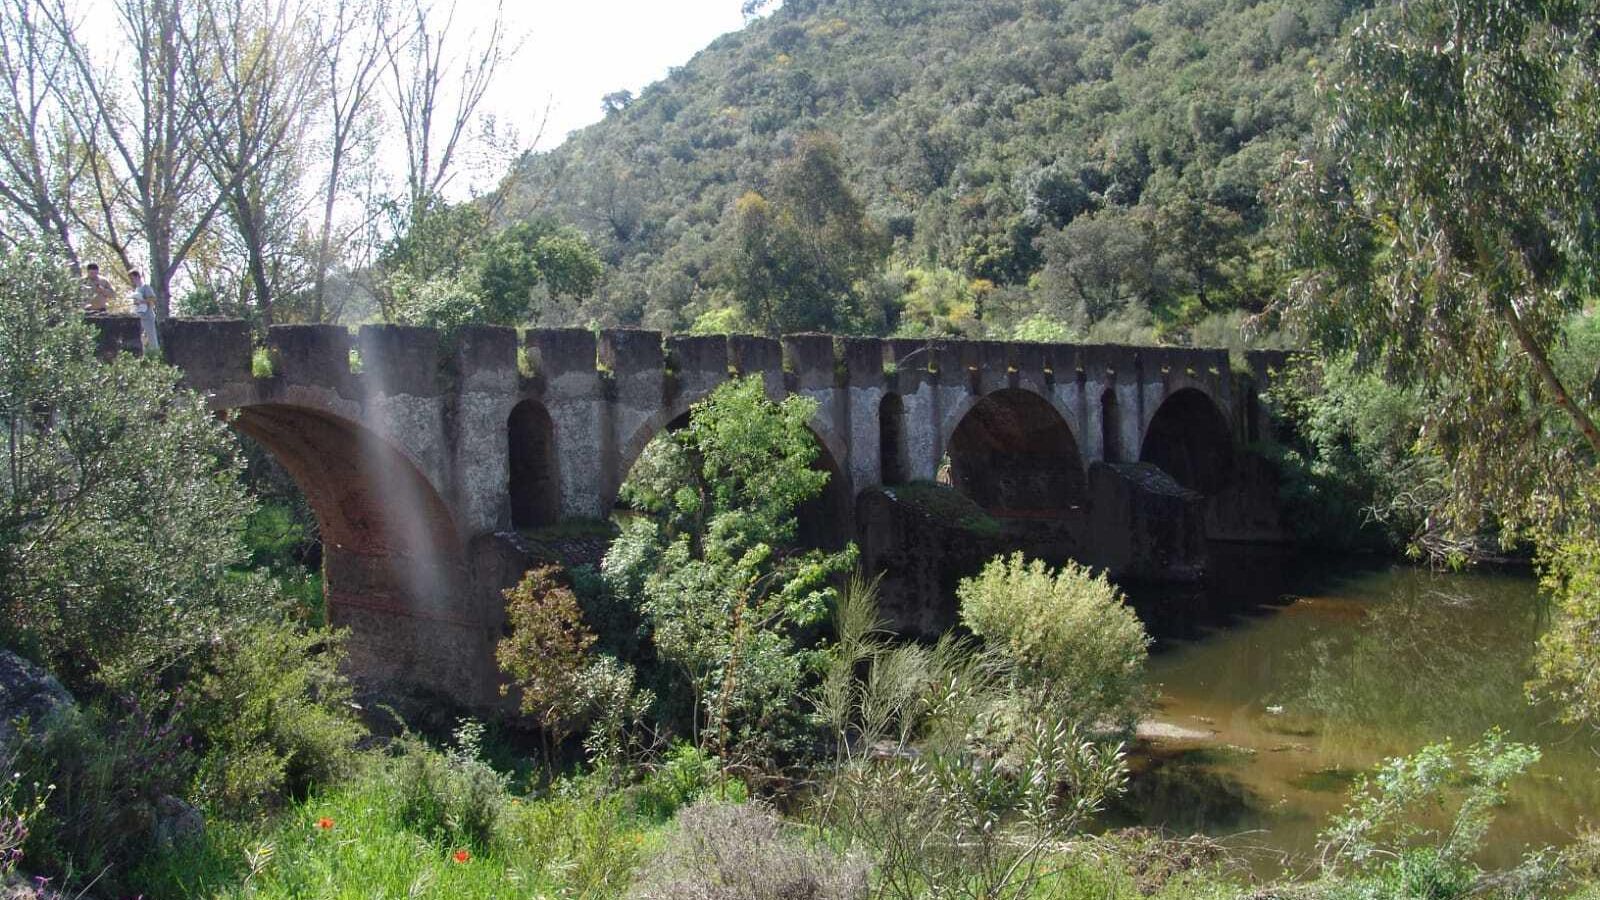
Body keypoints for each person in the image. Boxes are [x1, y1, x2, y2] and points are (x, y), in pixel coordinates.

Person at [128, 269, 160, 353]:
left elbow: (153, 298)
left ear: (138, 277)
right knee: (142, 338)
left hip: (148, 315)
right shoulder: (137, 289)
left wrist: (141, 301)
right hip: (140, 315)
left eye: (133, 278)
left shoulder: (146, 287)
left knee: (151, 336)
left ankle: (155, 354)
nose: (132, 280)